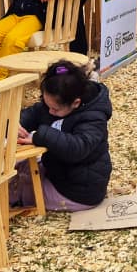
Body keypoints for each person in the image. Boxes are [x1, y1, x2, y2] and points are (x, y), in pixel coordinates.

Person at [17, 60, 112, 211]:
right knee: (18, 167)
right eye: (46, 104)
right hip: (60, 173)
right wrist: (16, 123)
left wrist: (39, 136)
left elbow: (78, 148)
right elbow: (34, 113)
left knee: (16, 188)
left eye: (54, 109)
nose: (49, 112)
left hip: (79, 191)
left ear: (75, 103)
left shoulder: (94, 118)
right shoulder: (56, 101)